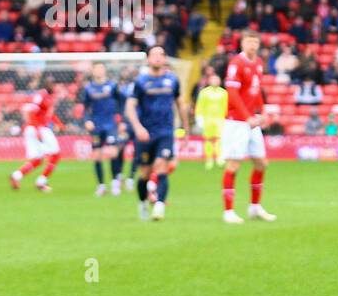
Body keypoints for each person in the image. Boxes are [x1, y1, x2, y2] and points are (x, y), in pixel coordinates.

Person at [124, 45, 188, 221]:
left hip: (166, 131)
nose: (158, 58)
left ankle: (159, 206)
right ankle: (143, 203)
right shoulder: (141, 82)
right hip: (146, 133)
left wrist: (186, 129)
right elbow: (130, 107)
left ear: (165, 58)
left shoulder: (172, 80)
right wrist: (138, 128)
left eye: (161, 54)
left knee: (161, 166)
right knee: (144, 173)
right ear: (148, 59)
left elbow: (180, 104)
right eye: (154, 55)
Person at [221, 32, 276, 223]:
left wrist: (262, 111)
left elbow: (256, 89)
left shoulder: (258, 63)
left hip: (252, 122)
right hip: (236, 121)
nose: (252, 45)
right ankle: (228, 211)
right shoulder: (236, 63)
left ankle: (254, 207)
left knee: (261, 163)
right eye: (249, 42)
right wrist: (246, 117)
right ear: (242, 43)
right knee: (234, 164)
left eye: (255, 42)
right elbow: (232, 93)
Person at [80, 62, 124, 196]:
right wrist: (87, 120)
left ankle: (115, 182)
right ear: (93, 72)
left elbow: (122, 103)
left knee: (113, 153)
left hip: (110, 124)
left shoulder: (112, 86)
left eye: (101, 69)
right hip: (96, 125)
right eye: (96, 69)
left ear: (104, 71)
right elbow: (85, 108)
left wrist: (122, 120)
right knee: (97, 156)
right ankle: (101, 185)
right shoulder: (88, 88)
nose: (99, 71)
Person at [11, 84, 60, 192]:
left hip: (35, 128)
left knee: (38, 159)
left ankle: (16, 176)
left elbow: (49, 114)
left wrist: (59, 124)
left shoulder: (48, 97)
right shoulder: (41, 96)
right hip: (39, 128)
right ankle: (41, 182)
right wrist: (37, 128)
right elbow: (31, 111)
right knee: (56, 155)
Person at [194, 67, 228, 170]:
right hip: (207, 119)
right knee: (208, 139)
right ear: (209, 81)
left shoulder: (223, 93)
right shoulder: (204, 92)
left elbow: (226, 106)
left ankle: (219, 157)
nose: (215, 81)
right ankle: (209, 158)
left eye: (217, 79)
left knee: (219, 139)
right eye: (213, 79)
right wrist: (199, 117)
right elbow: (200, 105)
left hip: (220, 119)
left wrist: (226, 118)